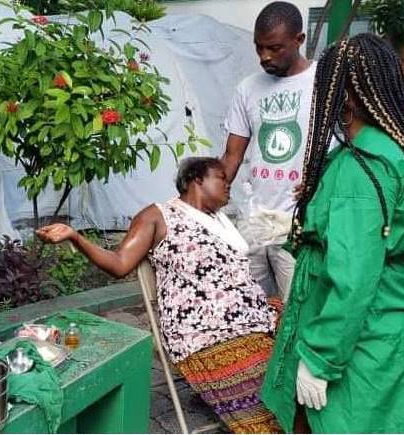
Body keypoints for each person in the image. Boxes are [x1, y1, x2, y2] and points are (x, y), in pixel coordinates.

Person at [260, 33, 404, 433]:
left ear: (351, 95)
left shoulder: (362, 168)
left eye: (329, 86)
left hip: (360, 339)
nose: (324, 96)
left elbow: (352, 278)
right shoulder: (385, 150)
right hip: (383, 329)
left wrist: (320, 360)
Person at [37, 158, 282, 433]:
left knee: (303, 341)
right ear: (196, 179)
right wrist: (76, 238)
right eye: (221, 178)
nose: (229, 185)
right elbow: (119, 263)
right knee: (276, 392)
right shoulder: (158, 215)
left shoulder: (221, 221)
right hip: (206, 330)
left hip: (252, 318)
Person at [220, 1, 316, 302]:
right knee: (250, 307)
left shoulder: (323, 82)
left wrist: (320, 183)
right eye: (259, 48)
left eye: (275, 48)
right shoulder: (248, 89)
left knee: (295, 310)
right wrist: (206, 199)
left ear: (299, 40)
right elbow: (233, 155)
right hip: (254, 220)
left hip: (300, 222)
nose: (265, 57)